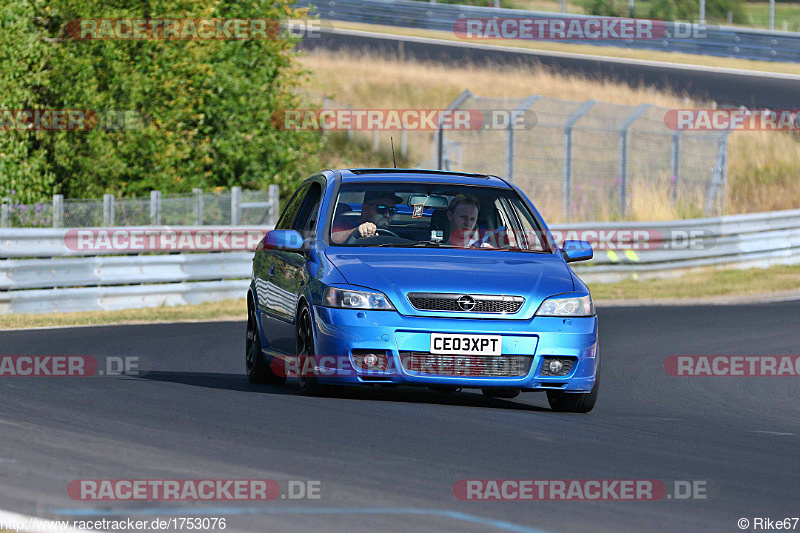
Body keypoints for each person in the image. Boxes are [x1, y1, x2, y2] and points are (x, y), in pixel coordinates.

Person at [331, 191, 402, 244]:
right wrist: (356, 231)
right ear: (366, 208)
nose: (387, 215)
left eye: (392, 210)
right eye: (382, 209)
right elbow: (331, 238)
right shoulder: (344, 226)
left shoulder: (392, 234)